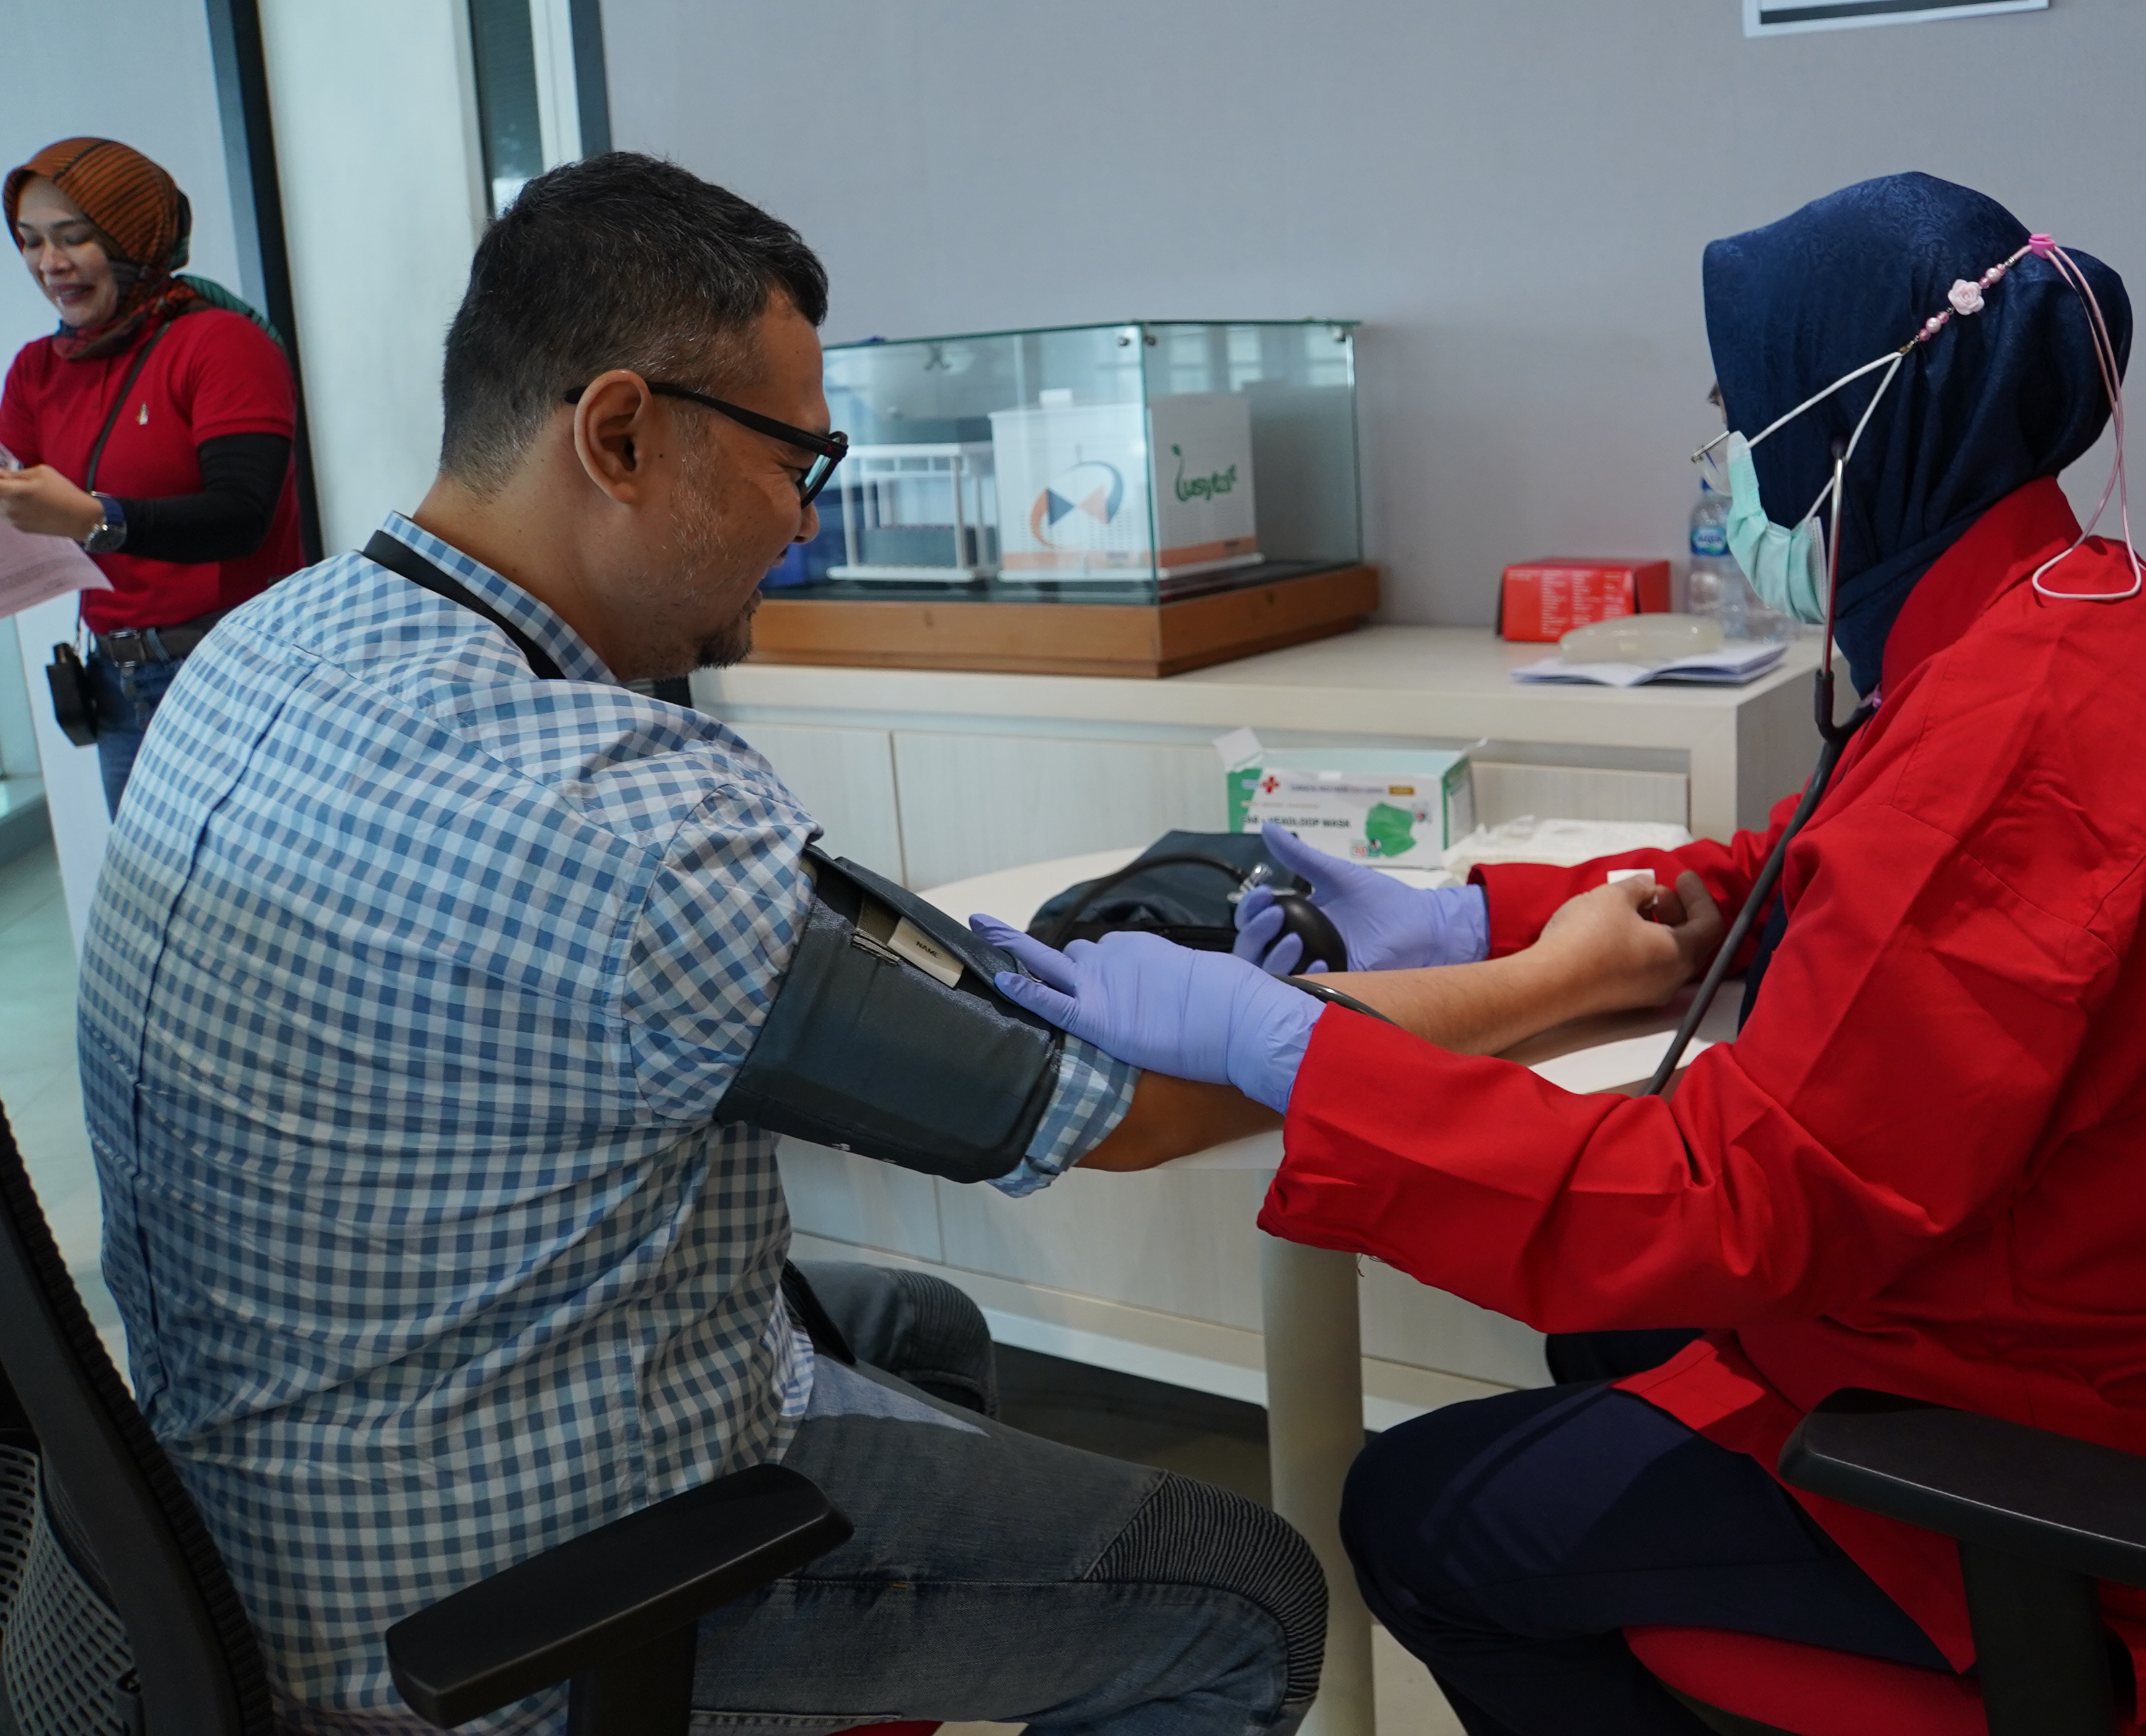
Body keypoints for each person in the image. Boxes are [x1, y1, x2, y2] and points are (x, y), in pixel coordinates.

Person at [981, 173, 2146, 1736]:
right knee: (1597, 1331)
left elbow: (1729, 1204)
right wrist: (1482, 914)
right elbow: (1832, 857)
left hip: (2057, 1441)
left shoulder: (2018, 740)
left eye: (1737, 414)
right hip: (2104, 1310)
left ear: (1848, 429)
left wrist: (1289, 1043)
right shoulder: (2058, 613)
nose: (1730, 460)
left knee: (1418, 1512)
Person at [77, 152, 1320, 1735]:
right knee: (1245, 1594)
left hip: (234, 1521)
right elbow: (1104, 1117)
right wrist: (1488, 995)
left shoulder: (267, 647)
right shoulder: (618, 817)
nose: (803, 521)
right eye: (799, 459)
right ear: (618, 433)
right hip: (476, 1614)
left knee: (920, 1327)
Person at [0, 136, 303, 814]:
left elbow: (242, 517)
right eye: (29, 241)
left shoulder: (220, 343)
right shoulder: (36, 370)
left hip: (234, 670)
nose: (49, 264)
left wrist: (93, 518)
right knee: (151, 878)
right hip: (116, 681)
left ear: (135, 237)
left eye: (73, 237)